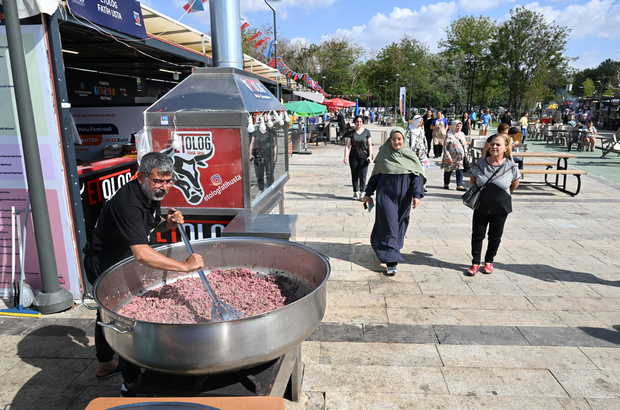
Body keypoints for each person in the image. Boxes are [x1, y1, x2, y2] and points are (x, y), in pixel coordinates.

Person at [84, 152, 205, 396]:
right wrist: (184, 267)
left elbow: (148, 225)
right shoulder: (128, 203)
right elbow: (141, 253)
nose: (164, 187)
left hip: (120, 258)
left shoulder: (149, 195)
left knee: (106, 313)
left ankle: (105, 364)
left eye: (169, 181)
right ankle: (130, 385)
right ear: (140, 177)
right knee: (126, 320)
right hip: (105, 262)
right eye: (158, 181)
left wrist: (167, 223)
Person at [362, 127, 425, 276]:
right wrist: (368, 193)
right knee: (389, 225)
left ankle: (391, 248)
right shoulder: (384, 155)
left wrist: (417, 195)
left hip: (404, 197)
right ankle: (391, 262)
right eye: (393, 139)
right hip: (385, 195)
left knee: (400, 225)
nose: (396, 142)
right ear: (390, 140)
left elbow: (417, 177)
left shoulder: (410, 156)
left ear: (404, 140)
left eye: (399, 139)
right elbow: (375, 176)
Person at [467, 133, 520, 276]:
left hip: (500, 207)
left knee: (495, 236)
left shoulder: (511, 166)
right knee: (477, 235)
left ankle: (489, 261)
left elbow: (514, 184)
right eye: (492, 144)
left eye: (498, 144)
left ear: (506, 148)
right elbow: (473, 181)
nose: (494, 147)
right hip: (481, 205)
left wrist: (501, 193)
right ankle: (475, 262)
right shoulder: (480, 163)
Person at [344, 115, 373, 200]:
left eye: (360, 121)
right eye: (357, 121)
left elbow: (369, 145)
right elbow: (347, 146)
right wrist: (345, 156)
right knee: (354, 174)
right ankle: (355, 192)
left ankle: (362, 192)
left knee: (363, 175)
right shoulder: (351, 132)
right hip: (353, 155)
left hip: (364, 155)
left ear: (362, 122)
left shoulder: (367, 132)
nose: (359, 123)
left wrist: (370, 156)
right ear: (355, 122)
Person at [442, 120, 468, 191]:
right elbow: (445, 147)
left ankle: (459, 185)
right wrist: (448, 157)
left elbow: (464, 144)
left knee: (460, 169)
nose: (459, 127)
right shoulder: (449, 135)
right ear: (454, 126)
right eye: (457, 126)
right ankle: (446, 183)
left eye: (460, 126)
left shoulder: (462, 134)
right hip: (451, 156)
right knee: (448, 170)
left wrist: (465, 153)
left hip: (460, 157)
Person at [249, 127, 278, 192]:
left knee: (269, 173)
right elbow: (252, 143)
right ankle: (261, 189)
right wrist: (251, 154)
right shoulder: (256, 133)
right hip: (258, 156)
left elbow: (275, 144)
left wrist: (275, 155)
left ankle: (270, 189)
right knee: (259, 174)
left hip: (269, 155)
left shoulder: (271, 132)